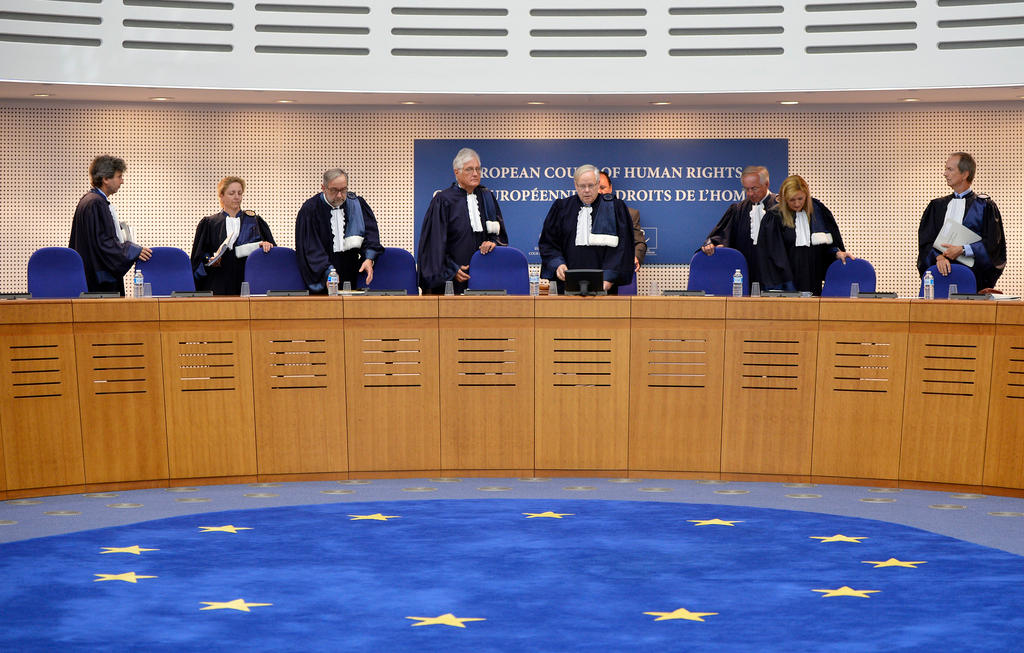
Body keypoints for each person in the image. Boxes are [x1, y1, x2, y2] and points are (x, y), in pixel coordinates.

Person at [417, 147, 508, 294]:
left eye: (478, 169)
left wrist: (492, 242)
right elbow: (433, 245)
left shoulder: (487, 197)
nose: (475, 173)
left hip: (483, 277)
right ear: (456, 172)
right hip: (450, 280)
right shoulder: (443, 200)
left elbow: (500, 235)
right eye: (469, 169)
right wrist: (451, 269)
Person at [537, 164, 634, 294]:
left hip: (604, 287)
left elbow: (623, 247)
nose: (587, 190)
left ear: (598, 184)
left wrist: (609, 278)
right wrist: (558, 264)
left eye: (591, 185)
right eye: (582, 186)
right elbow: (548, 243)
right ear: (575, 185)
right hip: (566, 285)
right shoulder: (561, 208)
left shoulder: (615, 207)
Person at [917, 152, 1006, 291]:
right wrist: (939, 258)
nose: (944, 174)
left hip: (973, 279)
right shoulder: (936, 206)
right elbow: (925, 242)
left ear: (965, 174)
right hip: (939, 276)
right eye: (945, 169)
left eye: (950, 169)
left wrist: (963, 250)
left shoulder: (985, 206)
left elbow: (993, 245)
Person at [69, 155, 152, 294]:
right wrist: (133, 250)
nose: (122, 181)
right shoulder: (96, 203)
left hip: (88, 277)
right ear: (105, 179)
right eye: (119, 176)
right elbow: (104, 244)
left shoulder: (88, 200)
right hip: (99, 285)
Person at [758, 174, 853, 295]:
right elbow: (772, 256)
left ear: (806, 196)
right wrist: (786, 286)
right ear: (784, 198)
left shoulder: (817, 212)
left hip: (812, 277)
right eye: (792, 200)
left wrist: (836, 253)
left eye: (800, 199)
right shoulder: (775, 217)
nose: (797, 204)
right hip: (785, 281)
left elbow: (825, 247)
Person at [295, 169, 383, 293]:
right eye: (334, 190)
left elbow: (371, 235)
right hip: (322, 274)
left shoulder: (357, 204)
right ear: (323, 188)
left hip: (353, 272)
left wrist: (369, 259)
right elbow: (311, 247)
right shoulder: (310, 210)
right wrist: (328, 271)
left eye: (343, 190)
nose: (340, 195)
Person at [190, 176, 275, 295]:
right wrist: (210, 260)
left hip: (248, 280)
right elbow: (198, 256)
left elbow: (271, 254)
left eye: (239, 193)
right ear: (221, 196)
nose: (236, 197)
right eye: (232, 193)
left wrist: (266, 246)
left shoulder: (255, 221)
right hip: (217, 281)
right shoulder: (209, 223)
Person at [700, 165, 777, 286]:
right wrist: (712, 245)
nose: (750, 193)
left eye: (754, 188)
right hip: (744, 275)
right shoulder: (738, 210)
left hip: (775, 278)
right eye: (746, 189)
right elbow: (721, 236)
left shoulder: (780, 208)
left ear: (766, 184)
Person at [598, 171, 647, 272]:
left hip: (618, 272)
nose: (600, 192)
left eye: (603, 188)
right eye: (595, 188)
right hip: (588, 274)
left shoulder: (630, 214)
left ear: (610, 188)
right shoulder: (580, 215)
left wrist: (635, 256)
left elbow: (639, 243)